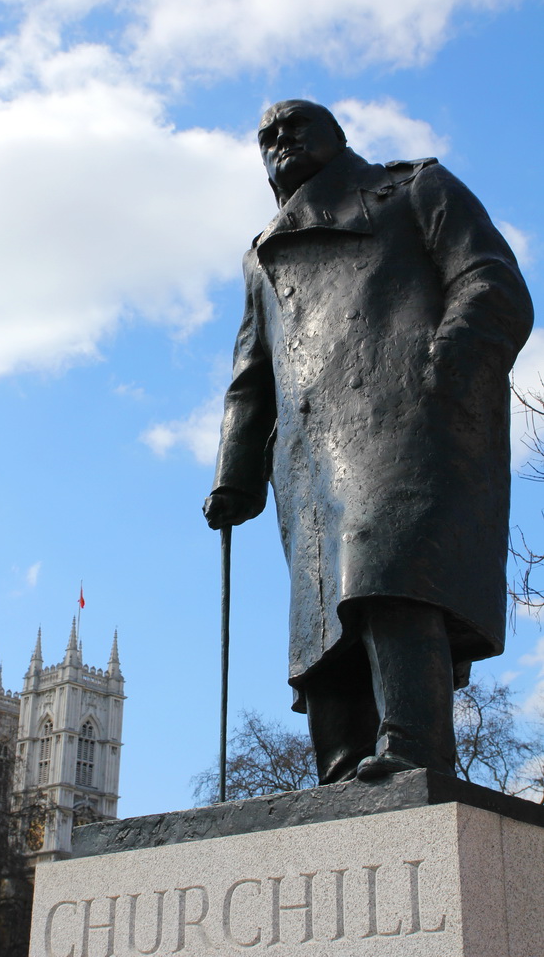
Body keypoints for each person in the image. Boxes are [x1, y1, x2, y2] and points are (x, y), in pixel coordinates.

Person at [203, 100, 533, 783]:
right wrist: (233, 473)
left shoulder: (413, 189)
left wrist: (448, 361)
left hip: (405, 417)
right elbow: (252, 371)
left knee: (387, 575)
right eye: (267, 136)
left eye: (297, 125)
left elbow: (491, 280)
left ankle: (414, 747)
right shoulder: (262, 254)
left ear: (338, 135)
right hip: (308, 452)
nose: (281, 139)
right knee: (322, 621)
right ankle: (341, 769)